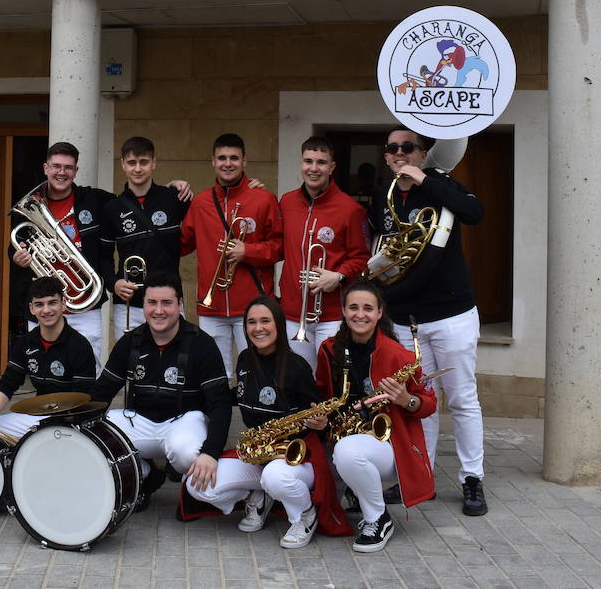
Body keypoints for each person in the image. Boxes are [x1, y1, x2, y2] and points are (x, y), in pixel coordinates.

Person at [371, 128, 488, 516]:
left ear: (423, 154)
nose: (400, 153)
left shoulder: (441, 184)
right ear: (386, 156)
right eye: (393, 148)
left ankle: (473, 478)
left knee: (462, 400)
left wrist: (425, 180)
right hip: (405, 319)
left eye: (409, 148)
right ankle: (422, 476)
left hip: (451, 314)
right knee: (420, 403)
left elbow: (474, 213)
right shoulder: (383, 196)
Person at [186, 295, 349, 548]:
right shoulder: (244, 360)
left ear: (279, 325)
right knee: (198, 487)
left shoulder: (297, 367)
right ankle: (259, 495)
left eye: (265, 321)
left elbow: (318, 415)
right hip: (259, 453)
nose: (258, 328)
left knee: (275, 477)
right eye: (251, 322)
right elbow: (237, 394)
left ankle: (305, 515)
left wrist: (321, 423)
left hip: (297, 459)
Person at [11, 141, 189, 362]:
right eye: (56, 166)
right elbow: (15, 248)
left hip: (85, 305)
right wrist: (17, 257)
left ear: (76, 171)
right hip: (43, 303)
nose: (61, 172)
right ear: (46, 168)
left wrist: (174, 187)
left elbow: (133, 201)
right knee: (43, 367)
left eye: (68, 167)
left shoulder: (97, 200)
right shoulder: (27, 211)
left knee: (89, 369)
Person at [312, 281, 438, 552]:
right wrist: (320, 417)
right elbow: (323, 394)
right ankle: (357, 494)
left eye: (368, 308)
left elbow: (429, 405)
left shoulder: (400, 356)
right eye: (353, 307)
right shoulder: (328, 349)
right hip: (344, 436)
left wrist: (407, 400)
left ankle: (378, 518)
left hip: (391, 448)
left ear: (380, 313)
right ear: (343, 311)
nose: (360, 314)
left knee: (347, 452)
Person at [90, 272, 231, 509]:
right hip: (141, 423)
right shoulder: (130, 342)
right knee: (100, 433)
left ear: (179, 305)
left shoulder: (202, 344)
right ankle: (143, 475)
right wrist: (77, 433)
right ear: (143, 305)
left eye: (166, 303)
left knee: (185, 451)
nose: (159, 310)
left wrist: (211, 453)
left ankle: (192, 493)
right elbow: (101, 393)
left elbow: (221, 404)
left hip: (185, 422)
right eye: (152, 302)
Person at [180, 133, 282, 380]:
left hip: (252, 305)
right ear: (212, 161)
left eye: (234, 158)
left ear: (244, 161)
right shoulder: (201, 202)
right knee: (215, 376)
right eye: (222, 158)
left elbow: (279, 247)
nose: (228, 163)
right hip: (211, 307)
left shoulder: (264, 198)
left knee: (258, 374)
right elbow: (182, 244)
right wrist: (169, 196)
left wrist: (248, 251)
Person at [0, 277, 97, 444]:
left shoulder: (80, 346)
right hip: (37, 417)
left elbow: (81, 400)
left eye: (52, 303)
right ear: (31, 309)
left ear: (63, 304)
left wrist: (45, 430)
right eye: (39, 304)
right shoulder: (26, 342)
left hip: (70, 425)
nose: (46, 310)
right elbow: (7, 384)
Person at [278, 137, 370, 372]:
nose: (314, 168)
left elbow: (362, 259)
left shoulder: (351, 209)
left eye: (321, 162)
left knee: (331, 377)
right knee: (299, 377)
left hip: (330, 314)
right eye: (308, 161)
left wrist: (338, 276)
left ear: (332, 167)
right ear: (301, 163)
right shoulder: (286, 202)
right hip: (291, 312)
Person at [102, 137, 189, 339]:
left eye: (144, 162)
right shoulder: (112, 208)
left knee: (173, 363)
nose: (138, 169)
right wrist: (113, 283)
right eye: (132, 163)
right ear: (123, 164)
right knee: (131, 366)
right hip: (129, 304)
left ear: (154, 163)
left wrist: (253, 189)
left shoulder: (174, 198)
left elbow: (208, 212)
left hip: (169, 299)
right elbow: (104, 256)